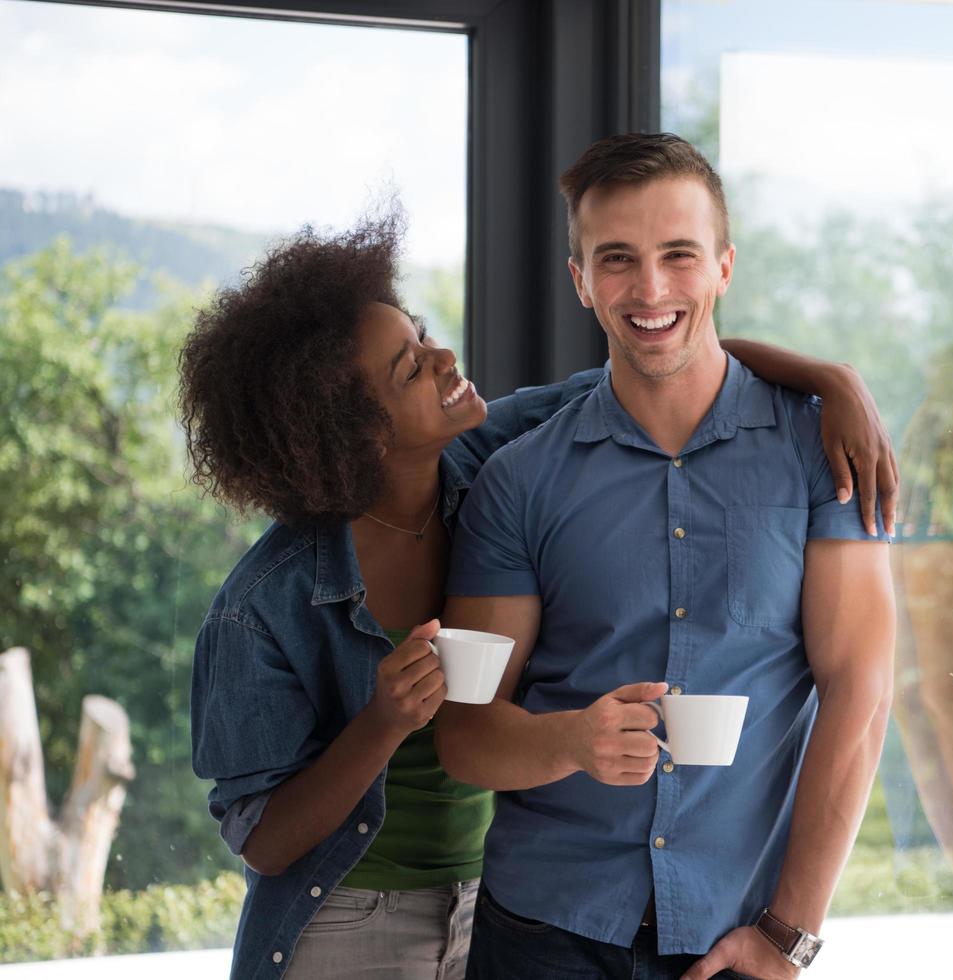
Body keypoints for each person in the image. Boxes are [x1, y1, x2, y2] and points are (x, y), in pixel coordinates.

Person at [179, 206, 898, 980]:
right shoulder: (263, 604)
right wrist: (382, 725)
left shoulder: (494, 458)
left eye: (420, 338)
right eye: (410, 368)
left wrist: (833, 381)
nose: (445, 356)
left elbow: (662, 352)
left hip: (490, 902)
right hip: (353, 915)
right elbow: (265, 838)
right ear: (350, 432)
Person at [436, 133, 897, 980]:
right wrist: (570, 742)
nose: (649, 290)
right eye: (616, 259)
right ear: (579, 280)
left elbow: (860, 695)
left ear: (723, 266)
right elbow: (466, 734)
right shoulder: (517, 483)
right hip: (544, 934)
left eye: (677, 255)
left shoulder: (820, 451)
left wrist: (788, 934)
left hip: (739, 936)